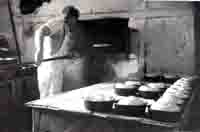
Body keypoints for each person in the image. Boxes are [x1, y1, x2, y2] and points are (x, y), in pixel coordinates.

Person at [35, 6, 86, 98]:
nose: (73, 23)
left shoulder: (68, 30)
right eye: (71, 19)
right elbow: (41, 31)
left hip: (57, 67)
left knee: (55, 97)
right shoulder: (58, 23)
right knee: (47, 98)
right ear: (70, 18)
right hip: (48, 66)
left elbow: (64, 50)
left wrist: (71, 54)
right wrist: (40, 51)